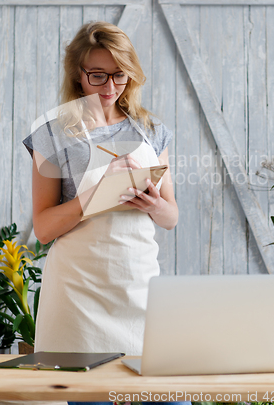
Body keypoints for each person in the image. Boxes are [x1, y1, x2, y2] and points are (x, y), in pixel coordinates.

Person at [23, 21, 189, 405]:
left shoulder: (151, 129)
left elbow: (171, 217)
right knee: (93, 399)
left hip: (138, 285)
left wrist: (155, 205)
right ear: (78, 75)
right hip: (79, 294)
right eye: (97, 76)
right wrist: (96, 194)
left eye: (119, 75)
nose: (110, 87)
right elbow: (45, 228)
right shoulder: (53, 133)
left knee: (171, 397)